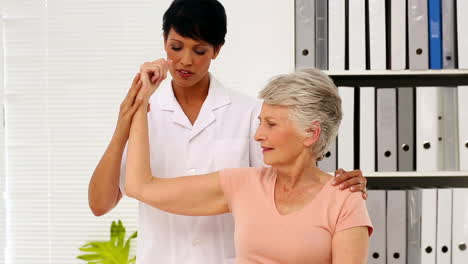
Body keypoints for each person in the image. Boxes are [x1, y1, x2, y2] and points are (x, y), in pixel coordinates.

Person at [88, 0, 369, 263]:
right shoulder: (144, 114)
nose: (185, 61)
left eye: (199, 51)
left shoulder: (251, 113)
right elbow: (101, 203)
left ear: (216, 50)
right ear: (164, 43)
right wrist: (129, 115)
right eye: (176, 47)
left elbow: (289, 186)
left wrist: (339, 186)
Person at [125, 68, 373, 264]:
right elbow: (140, 187)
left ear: (310, 133)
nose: (258, 135)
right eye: (260, 122)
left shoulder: (344, 199)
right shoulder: (242, 184)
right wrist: (141, 103)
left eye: (271, 124)